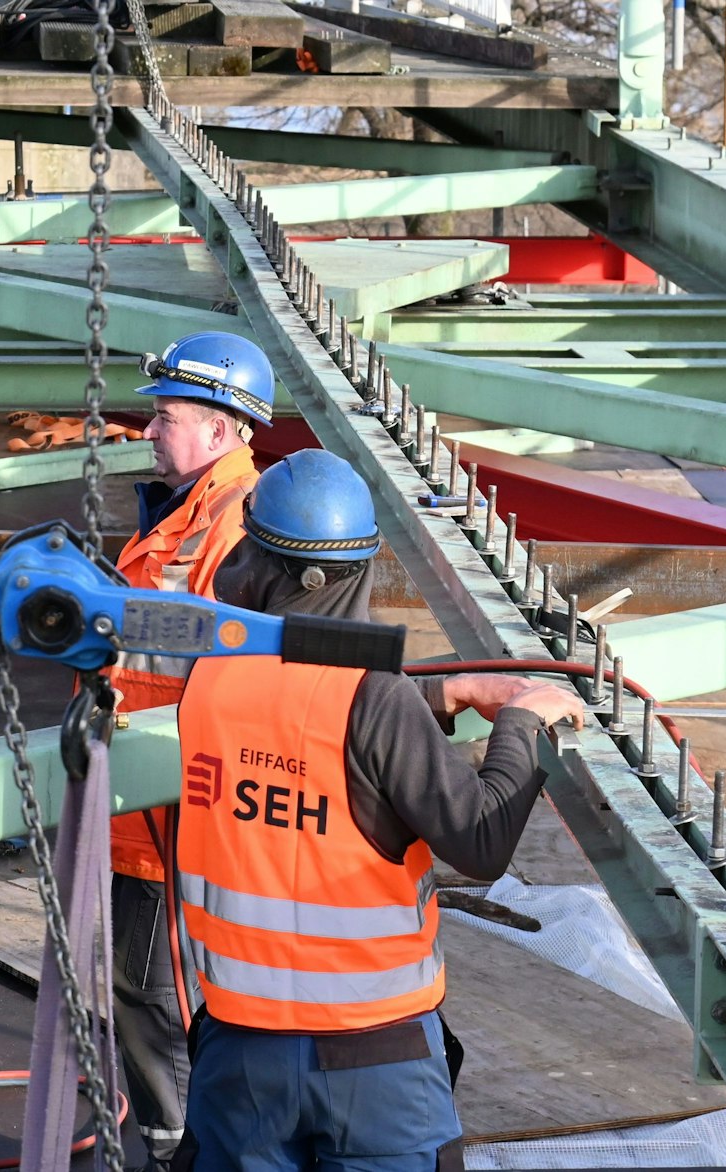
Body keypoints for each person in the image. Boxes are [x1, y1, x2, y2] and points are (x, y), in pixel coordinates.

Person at [170, 449, 586, 1172]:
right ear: (353, 570)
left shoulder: (209, 677)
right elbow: (480, 839)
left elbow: (303, 726)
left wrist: (436, 698)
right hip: (374, 1064)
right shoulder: (377, 700)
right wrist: (523, 723)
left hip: (239, 1053)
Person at [108, 330, 272, 1172]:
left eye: (164, 417)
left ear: (221, 430)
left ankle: (179, 1155)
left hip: (177, 812)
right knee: (153, 995)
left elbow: (227, 646)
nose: (148, 431)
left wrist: (103, 617)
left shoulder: (233, 524)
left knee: (155, 997)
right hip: (147, 800)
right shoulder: (191, 511)